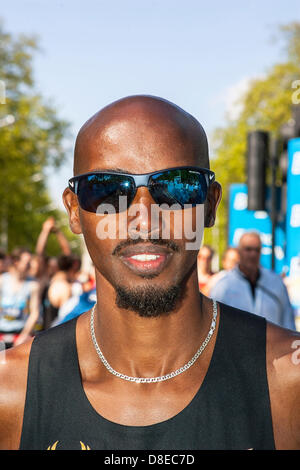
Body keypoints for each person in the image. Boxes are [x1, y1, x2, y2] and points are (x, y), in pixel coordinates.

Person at [0, 95, 300, 451]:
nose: (145, 217)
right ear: (74, 210)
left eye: (177, 186)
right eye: (107, 188)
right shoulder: (11, 390)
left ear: (210, 204)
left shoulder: (288, 381)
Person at [210, 232, 296, 330]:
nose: (253, 254)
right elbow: (214, 325)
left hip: (271, 344)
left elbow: (288, 320)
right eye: (248, 249)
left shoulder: (276, 283)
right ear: (239, 252)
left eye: (257, 250)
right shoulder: (223, 286)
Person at [0, 247, 40, 348]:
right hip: (2, 333)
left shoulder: (33, 284)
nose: (29, 265)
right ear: (16, 262)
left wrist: (24, 335)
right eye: (26, 262)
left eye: (30, 262)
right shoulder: (2, 280)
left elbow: (35, 312)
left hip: (20, 334)